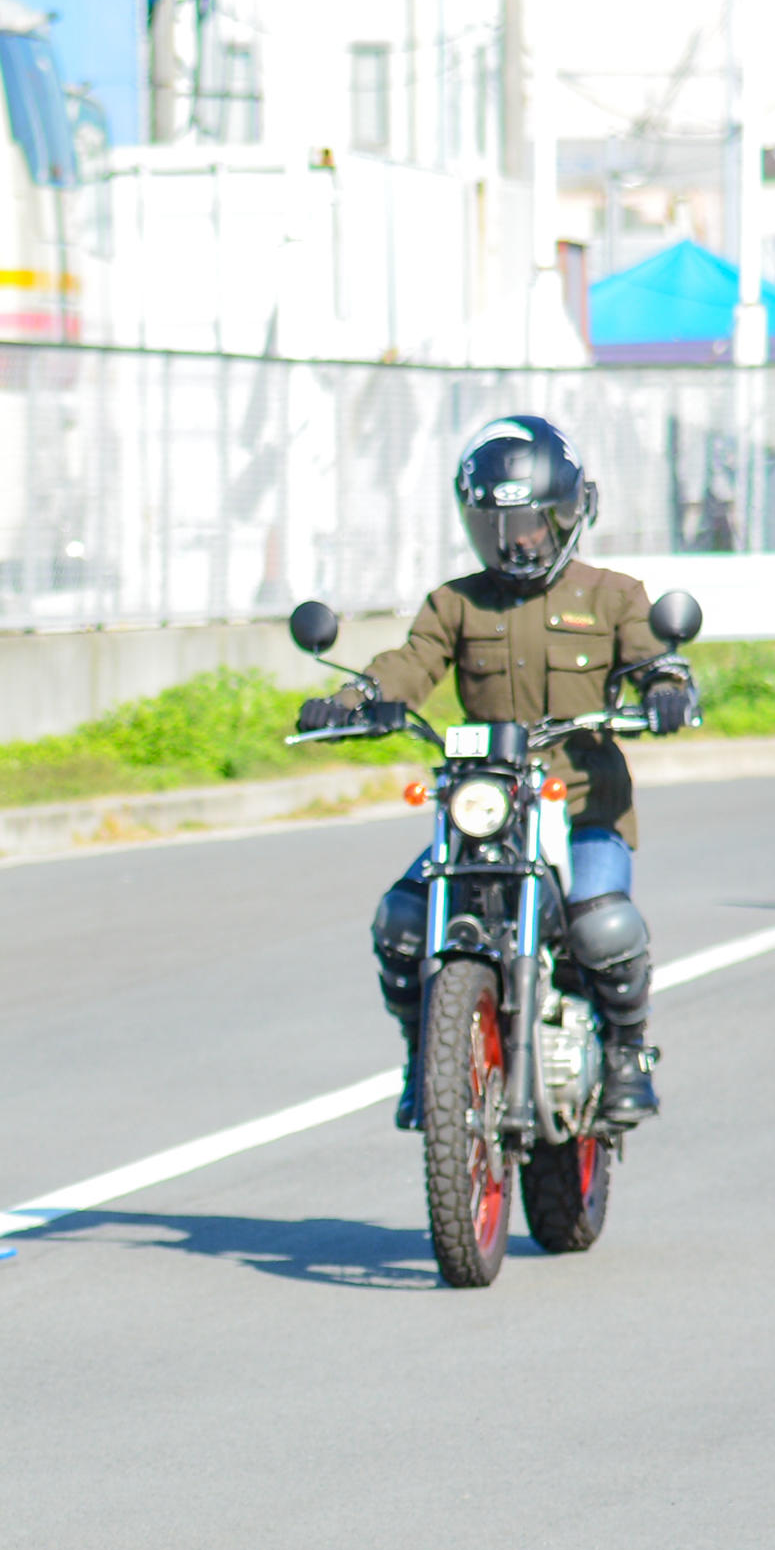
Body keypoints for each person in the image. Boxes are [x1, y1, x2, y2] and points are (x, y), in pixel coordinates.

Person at [296, 413, 695, 1122]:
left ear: (570, 513)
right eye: (497, 527)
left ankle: (630, 1051)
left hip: (580, 807)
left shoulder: (613, 594)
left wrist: (665, 686)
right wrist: (356, 698)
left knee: (600, 925)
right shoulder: (456, 602)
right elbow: (409, 664)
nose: (517, 542)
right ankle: (428, 1055)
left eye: (534, 524)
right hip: (486, 803)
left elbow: (647, 653)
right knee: (403, 921)